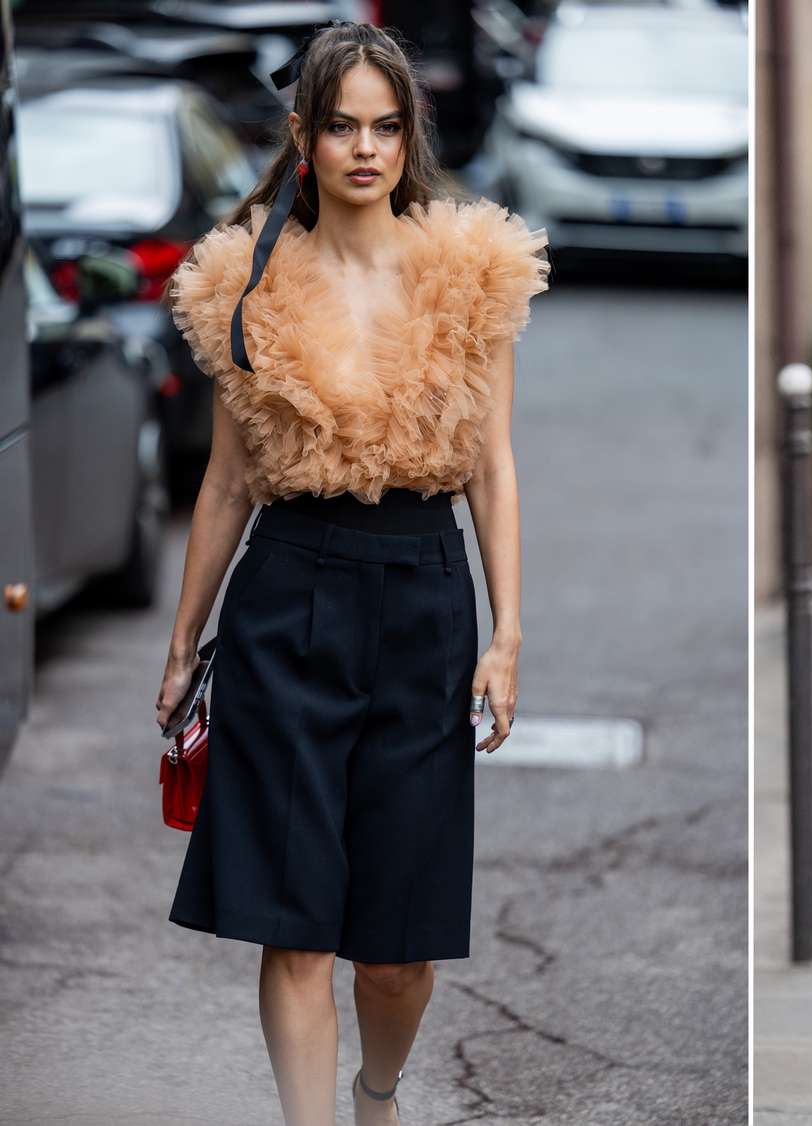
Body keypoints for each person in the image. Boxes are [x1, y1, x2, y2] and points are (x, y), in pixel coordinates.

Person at [151, 21, 549, 1125]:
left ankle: (377, 1092)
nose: (365, 148)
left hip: (425, 596)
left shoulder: (471, 272)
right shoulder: (248, 279)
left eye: (385, 126)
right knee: (297, 926)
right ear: (303, 135)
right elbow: (227, 484)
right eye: (341, 127)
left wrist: (508, 637)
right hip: (286, 598)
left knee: (397, 951)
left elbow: (494, 466)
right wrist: (184, 644)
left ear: (409, 132)